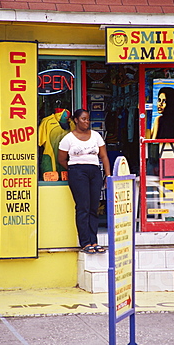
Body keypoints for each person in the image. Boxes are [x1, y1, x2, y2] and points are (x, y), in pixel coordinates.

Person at [58, 109, 111, 254]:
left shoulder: (96, 136)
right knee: (83, 207)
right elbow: (61, 159)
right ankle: (85, 242)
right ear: (75, 120)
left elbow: (104, 156)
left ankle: (94, 241)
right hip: (77, 172)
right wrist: (74, 169)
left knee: (94, 207)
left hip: (94, 172)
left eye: (88, 119)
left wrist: (108, 176)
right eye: (83, 119)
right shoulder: (68, 139)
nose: (86, 122)